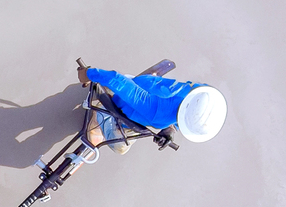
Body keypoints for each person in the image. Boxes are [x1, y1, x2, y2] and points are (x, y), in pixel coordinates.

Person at [75, 59, 227, 152]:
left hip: (144, 85)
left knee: (135, 97)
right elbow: (117, 79)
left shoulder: (199, 91)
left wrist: (171, 129)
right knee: (121, 148)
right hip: (123, 103)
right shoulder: (156, 113)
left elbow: (181, 111)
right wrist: (88, 74)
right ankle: (100, 116)